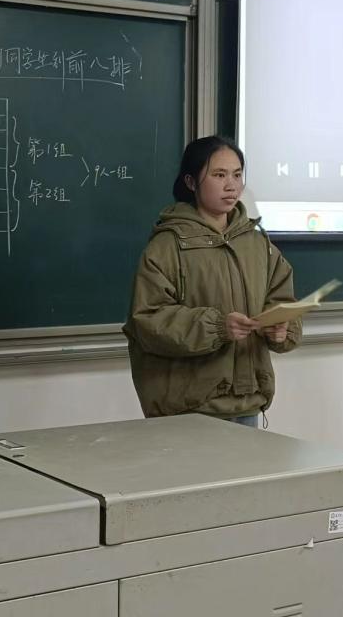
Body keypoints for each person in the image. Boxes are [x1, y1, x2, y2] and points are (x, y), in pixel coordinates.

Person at [123, 135, 301, 427]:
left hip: (248, 399)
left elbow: (282, 300)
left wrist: (282, 328)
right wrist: (217, 327)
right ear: (191, 182)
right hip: (189, 408)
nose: (231, 185)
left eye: (237, 175)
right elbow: (148, 321)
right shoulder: (167, 246)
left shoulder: (258, 244)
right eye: (219, 175)